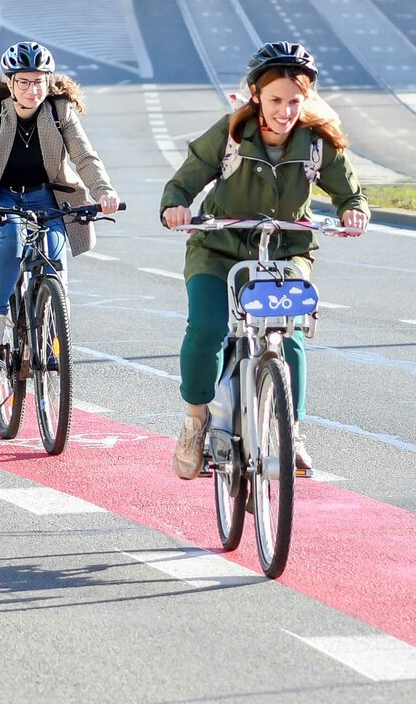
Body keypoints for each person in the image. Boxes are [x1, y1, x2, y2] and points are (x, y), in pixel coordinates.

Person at [159, 42, 370, 480]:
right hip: (218, 249)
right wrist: (175, 207)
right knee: (208, 328)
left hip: (285, 251)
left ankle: (292, 431)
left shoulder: (318, 144)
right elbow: (184, 182)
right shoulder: (231, 135)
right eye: (275, 99)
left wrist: (355, 211)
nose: (286, 110)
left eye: (296, 100)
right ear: (256, 95)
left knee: (289, 336)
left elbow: (351, 193)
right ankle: (195, 421)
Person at [0, 42, 121, 347]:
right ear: (10, 83)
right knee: (11, 234)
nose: (33, 90)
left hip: (47, 198)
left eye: (39, 81)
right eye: (24, 82)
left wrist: (104, 190)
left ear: (49, 81)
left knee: (54, 253)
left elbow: (84, 157)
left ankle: (57, 332)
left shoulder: (60, 111)